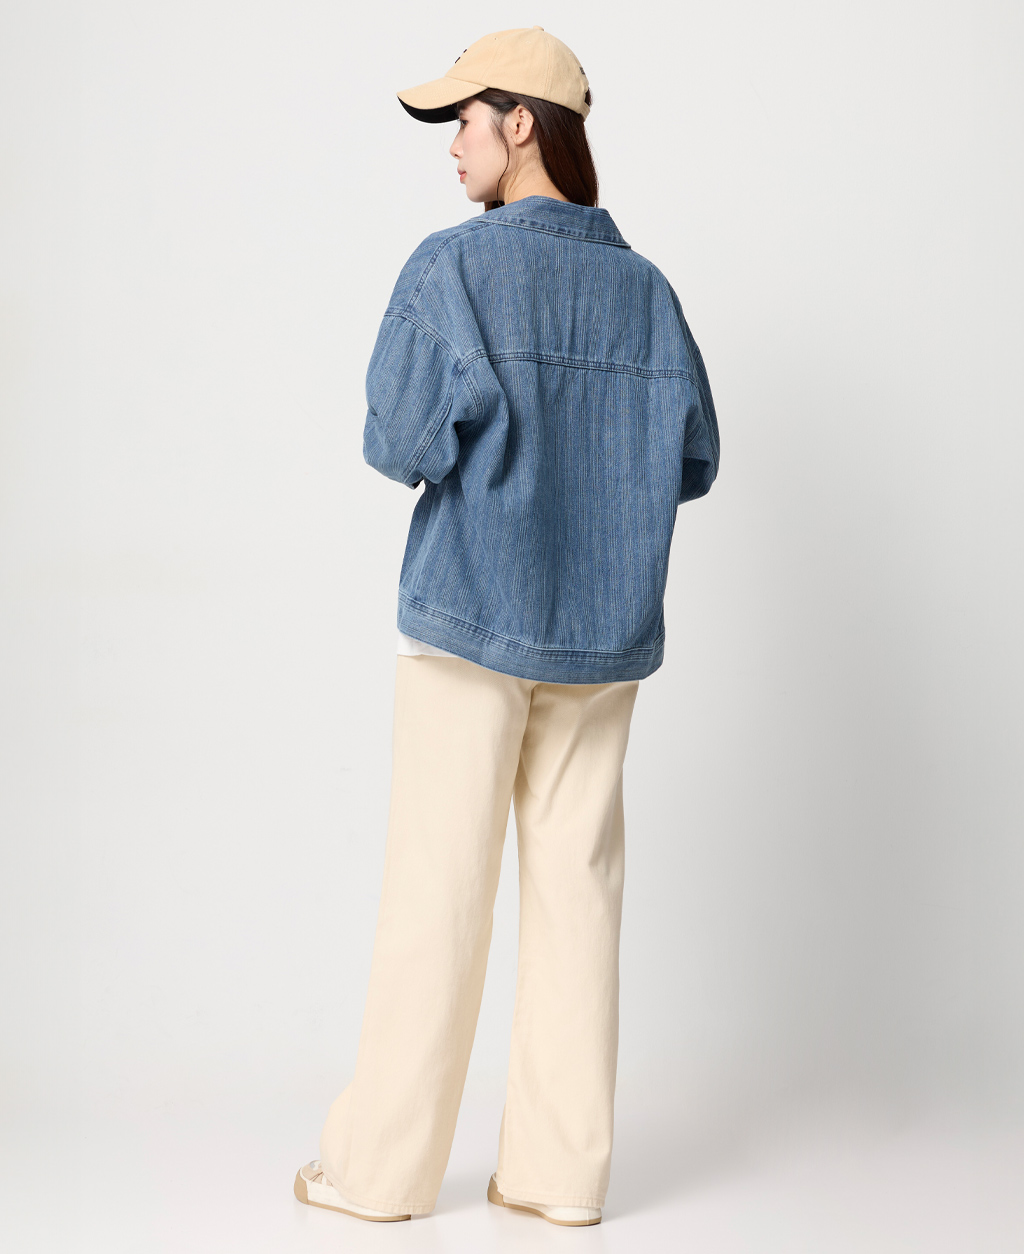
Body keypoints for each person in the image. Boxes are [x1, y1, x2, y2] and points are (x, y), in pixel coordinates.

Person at [293, 25, 720, 1227]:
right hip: (602, 636)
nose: (453, 146)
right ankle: (557, 1178)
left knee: (438, 888)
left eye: (463, 121)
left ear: (520, 123)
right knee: (579, 893)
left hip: (470, 617)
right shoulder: (647, 293)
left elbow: (395, 443)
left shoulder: (455, 269)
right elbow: (694, 459)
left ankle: (380, 1176)